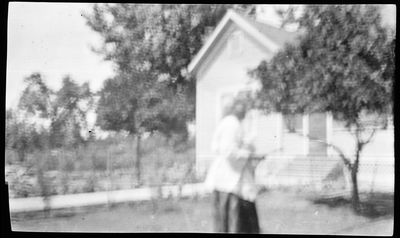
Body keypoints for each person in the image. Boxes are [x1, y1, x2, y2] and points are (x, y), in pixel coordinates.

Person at [204, 97, 264, 233]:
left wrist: (247, 148)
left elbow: (234, 147)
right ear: (234, 108)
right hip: (230, 177)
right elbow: (228, 151)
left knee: (239, 216)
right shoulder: (231, 124)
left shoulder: (231, 123)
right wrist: (248, 152)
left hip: (233, 176)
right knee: (234, 217)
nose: (245, 112)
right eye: (242, 108)